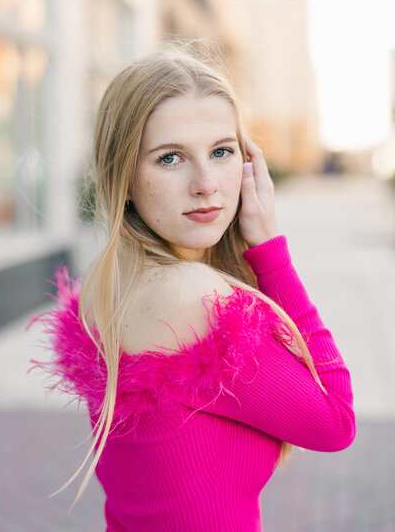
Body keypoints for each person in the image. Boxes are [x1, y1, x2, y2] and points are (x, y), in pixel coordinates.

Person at [28, 43, 356, 532]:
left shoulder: (107, 283)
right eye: (170, 158)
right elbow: (335, 422)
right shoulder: (193, 297)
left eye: (222, 152)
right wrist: (269, 249)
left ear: (247, 165)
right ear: (124, 176)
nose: (206, 183)